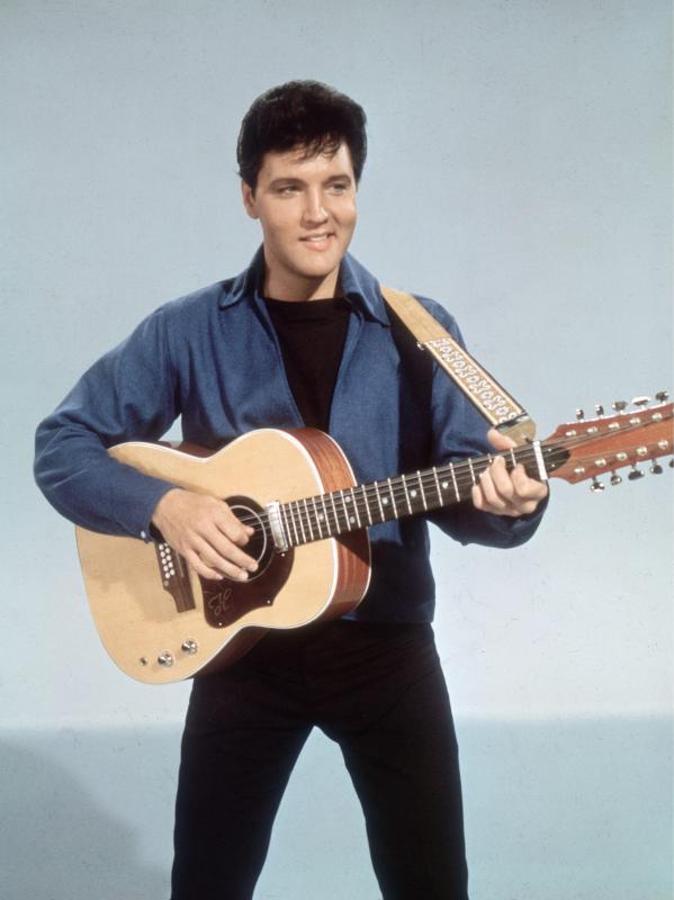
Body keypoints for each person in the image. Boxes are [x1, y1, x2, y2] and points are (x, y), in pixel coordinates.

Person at [34, 80, 548, 900]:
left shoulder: (423, 327)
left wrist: (513, 504)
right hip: (241, 649)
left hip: (386, 653)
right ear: (250, 198)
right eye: (290, 188)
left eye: (337, 186)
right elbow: (61, 445)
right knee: (207, 885)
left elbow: (469, 484)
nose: (318, 213)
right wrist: (165, 505)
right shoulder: (188, 328)